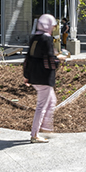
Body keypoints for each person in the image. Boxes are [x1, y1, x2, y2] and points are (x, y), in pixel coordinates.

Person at [23, 13, 65, 143]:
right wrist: (59, 59)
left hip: (35, 75)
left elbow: (28, 58)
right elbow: (49, 59)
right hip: (43, 76)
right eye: (52, 26)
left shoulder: (34, 37)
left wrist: (27, 76)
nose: (53, 28)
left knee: (51, 100)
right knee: (41, 106)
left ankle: (46, 126)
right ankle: (35, 134)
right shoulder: (46, 39)